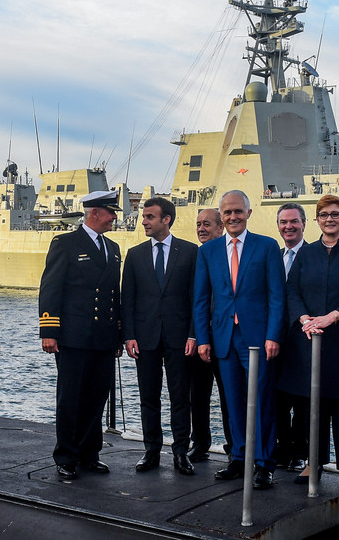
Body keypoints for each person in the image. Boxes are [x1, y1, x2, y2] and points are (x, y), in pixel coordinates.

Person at [277, 196, 339, 492]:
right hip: (310, 342)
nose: (329, 219)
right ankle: (314, 461)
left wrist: (333, 317)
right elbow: (291, 290)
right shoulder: (307, 254)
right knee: (311, 408)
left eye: (335, 214)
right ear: (317, 220)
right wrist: (304, 318)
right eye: (324, 215)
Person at [192, 190, 285, 489]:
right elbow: (201, 299)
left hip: (258, 338)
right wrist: (203, 339)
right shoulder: (207, 252)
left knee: (261, 401)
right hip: (223, 338)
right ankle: (239, 457)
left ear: (248, 213)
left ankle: (264, 463)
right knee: (232, 401)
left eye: (238, 212)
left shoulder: (267, 247)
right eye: (227, 213)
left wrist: (273, 336)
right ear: (222, 216)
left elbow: (276, 297)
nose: (233, 217)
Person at [39, 189, 123, 481]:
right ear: (95, 213)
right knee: (71, 398)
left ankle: (90, 454)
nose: (114, 218)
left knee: (96, 397)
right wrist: (49, 331)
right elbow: (51, 288)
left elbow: (114, 295)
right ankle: (66, 456)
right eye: (111, 212)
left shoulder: (112, 248)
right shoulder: (66, 243)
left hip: (102, 337)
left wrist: (118, 336)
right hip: (73, 337)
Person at [122, 197, 198, 476]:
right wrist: (128, 335)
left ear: (166, 219)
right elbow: (127, 298)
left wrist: (193, 334)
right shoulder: (135, 254)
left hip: (179, 338)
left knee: (180, 398)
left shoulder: (190, 252)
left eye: (150, 217)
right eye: (144, 217)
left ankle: (181, 453)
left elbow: (196, 299)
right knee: (148, 397)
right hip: (145, 338)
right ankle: (151, 450)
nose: (144, 221)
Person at [187, 208, 232, 462]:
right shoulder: (195, 256)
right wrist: (194, 335)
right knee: (198, 396)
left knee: (229, 397)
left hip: (226, 339)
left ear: (220, 228)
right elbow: (192, 301)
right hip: (199, 339)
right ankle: (200, 443)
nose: (202, 229)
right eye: (198, 224)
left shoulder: (231, 255)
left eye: (207, 224)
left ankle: (234, 445)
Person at [273, 203, 308, 475]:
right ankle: (282, 448)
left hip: (305, 338)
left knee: (304, 400)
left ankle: (300, 452)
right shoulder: (274, 255)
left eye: (294, 222)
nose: (288, 227)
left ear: (304, 224)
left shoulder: (313, 255)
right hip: (276, 337)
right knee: (277, 398)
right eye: (284, 222)